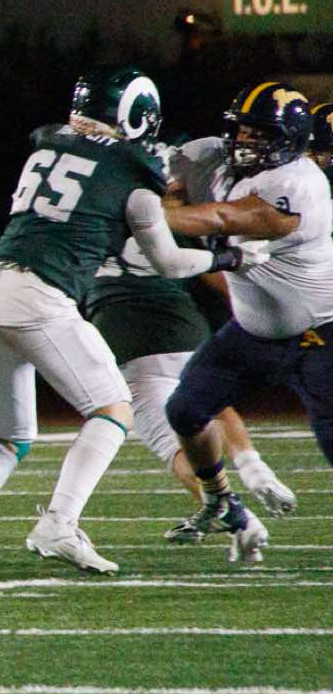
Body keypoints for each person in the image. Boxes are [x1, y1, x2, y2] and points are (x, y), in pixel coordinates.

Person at [0, 66, 262, 582]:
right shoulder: (133, 171)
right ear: (138, 116)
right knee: (112, 409)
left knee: (9, 437)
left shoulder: (49, 146)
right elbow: (169, 262)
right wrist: (230, 259)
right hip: (39, 295)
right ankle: (59, 523)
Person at [81, 142, 296, 561]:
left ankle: (239, 517)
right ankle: (254, 468)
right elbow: (221, 280)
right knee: (205, 401)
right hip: (183, 322)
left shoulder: (100, 209)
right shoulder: (176, 223)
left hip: (129, 333)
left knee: (175, 446)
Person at [164, 80, 333, 554]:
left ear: (292, 142)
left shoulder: (299, 185)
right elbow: (162, 169)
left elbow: (219, 219)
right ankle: (219, 500)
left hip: (319, 333)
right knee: (184, 410)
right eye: (242, 130)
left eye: (261, 135)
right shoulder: (209, 156)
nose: (245, 142)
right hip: (252, 333)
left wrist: (157, 208)